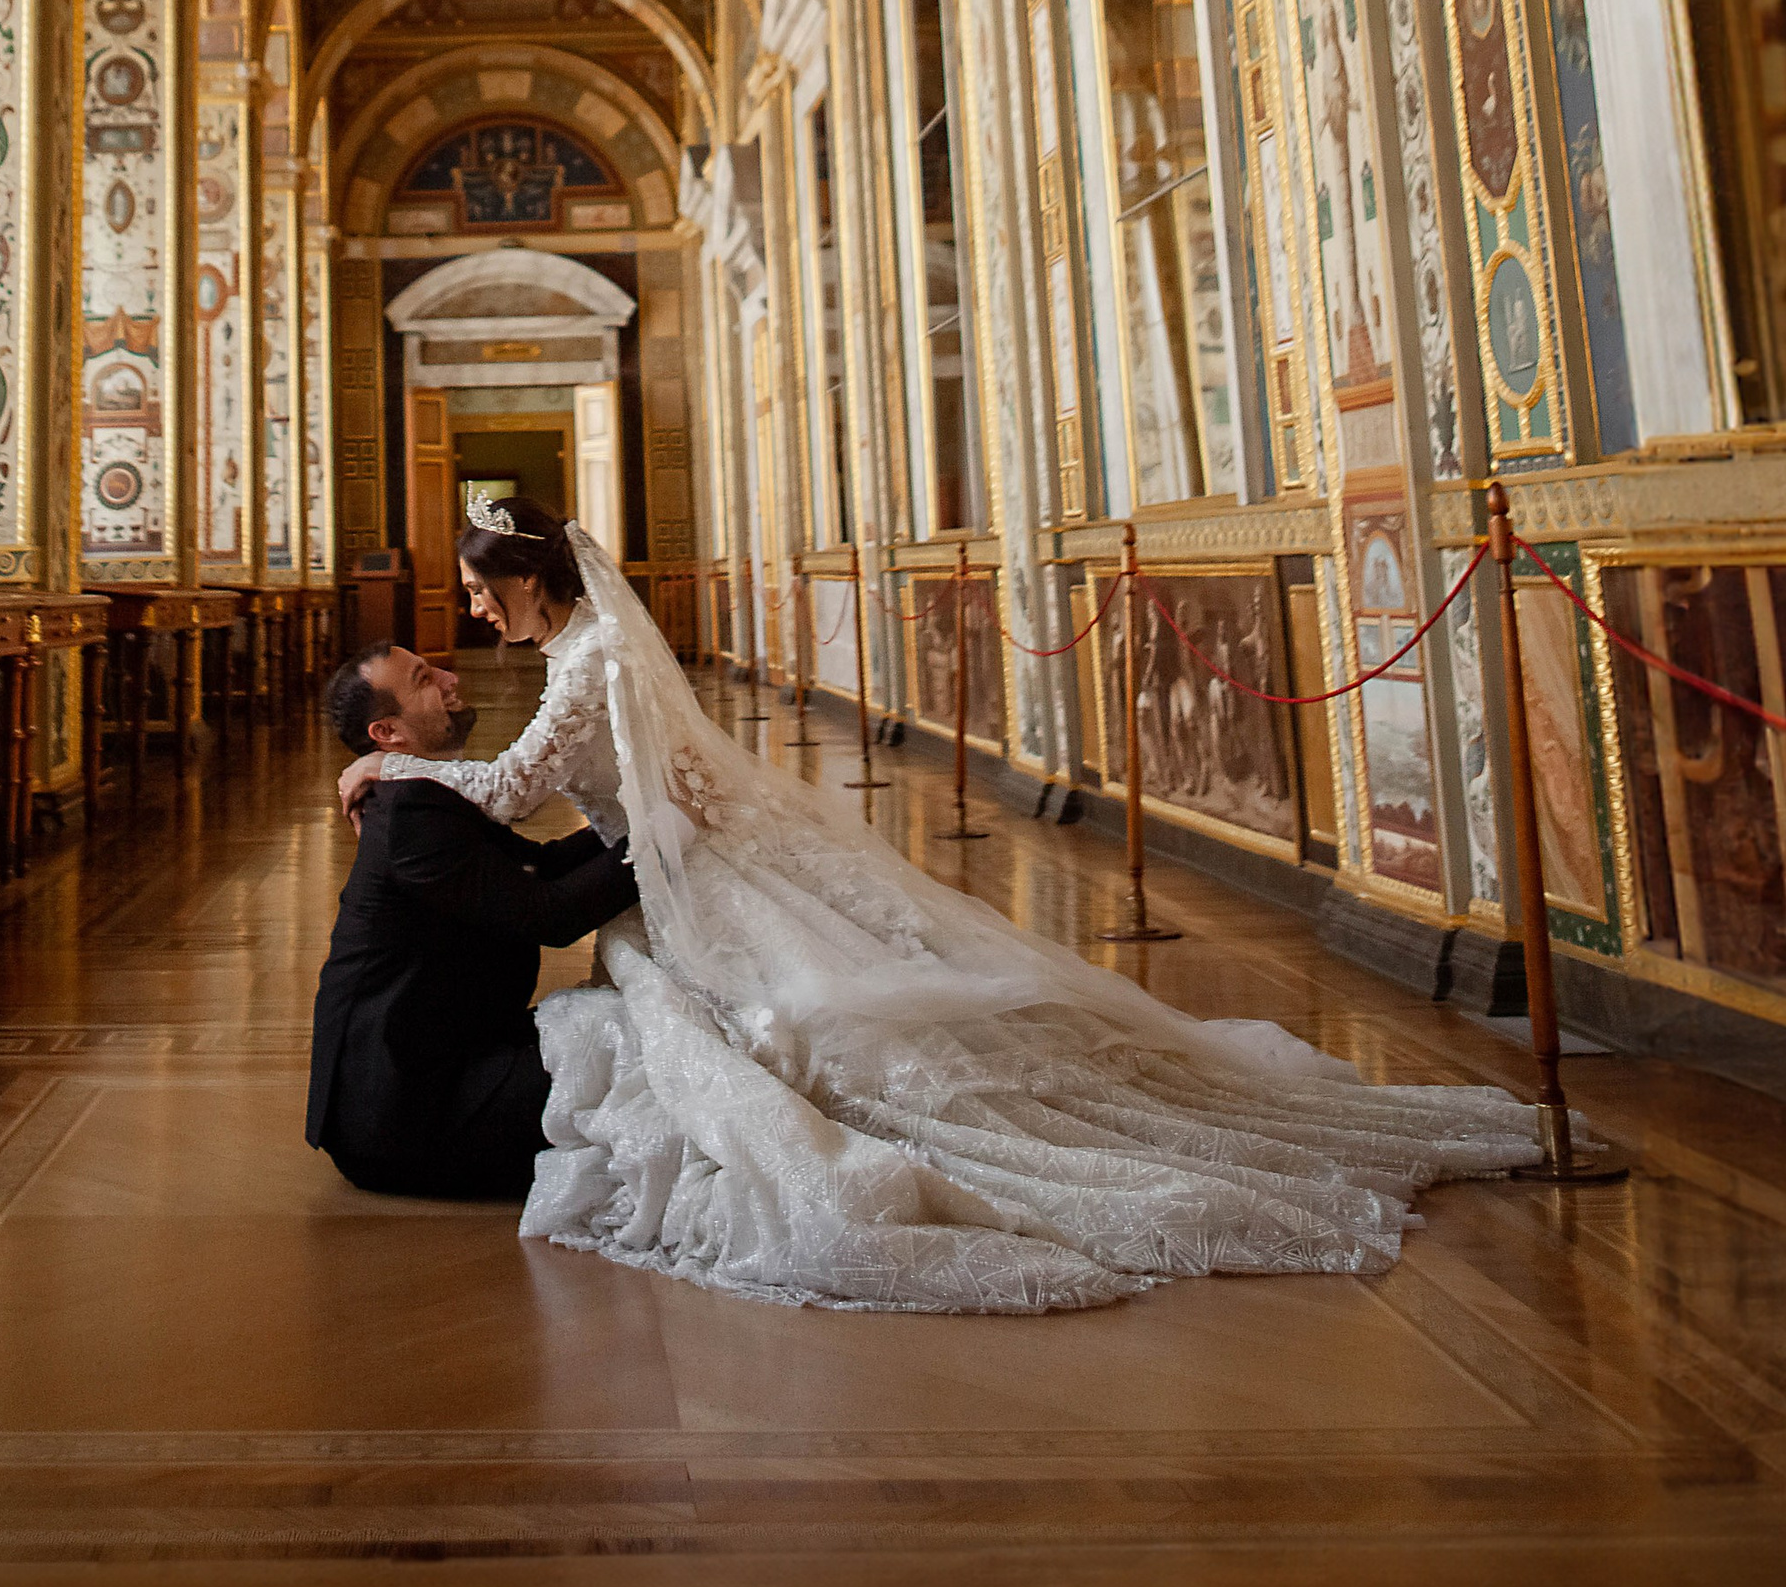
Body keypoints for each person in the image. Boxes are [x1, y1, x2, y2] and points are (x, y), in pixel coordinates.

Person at [330, 491, 1558, 1314]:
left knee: (809, 1032)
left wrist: (394, 763)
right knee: (793, 1020)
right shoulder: (581, 646)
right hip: (674, 863)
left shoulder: (589, 657)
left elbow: (503, 787)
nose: (473, 610)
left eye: (478, 590)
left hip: (690, 871)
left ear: (521, 578)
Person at [308, 641, 636, 1204]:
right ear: (388, 734)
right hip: (411, 1111)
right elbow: (550, 915)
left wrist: (632, 820)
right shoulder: (408, 816)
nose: (449, 676)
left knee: (641, 1044)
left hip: (457, 1054)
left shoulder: (420, 795)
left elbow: (543, 865)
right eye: (423, 678)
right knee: (643, 1063)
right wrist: (656, 841)